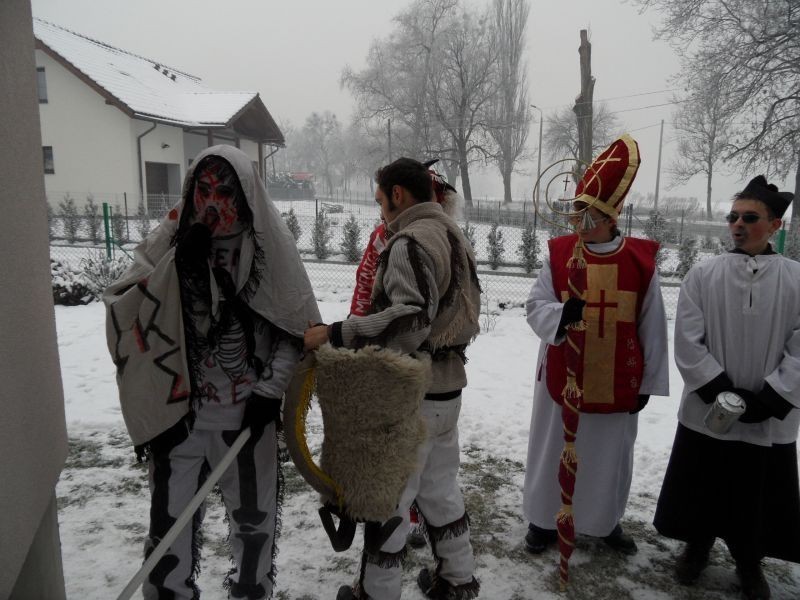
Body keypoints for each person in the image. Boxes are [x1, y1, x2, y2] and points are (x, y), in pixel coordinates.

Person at [104, 145, 320, 599]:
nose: (212, 203)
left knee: (254, 524)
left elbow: (294, 327)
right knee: (168, 529)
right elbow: (128, 304)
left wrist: (269, 391)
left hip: (244, 421)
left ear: (244, 196)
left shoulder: (267, 250)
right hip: (179, 420)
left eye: (225, 191)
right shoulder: (171, 239)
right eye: (203, 190)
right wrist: (177, 265)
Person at [304, 157, 481, 600]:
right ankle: (457, 579)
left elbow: (409, 322)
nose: (380, 208)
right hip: (447, 388)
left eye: (381, 199)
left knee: (393, 497)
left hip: (414, 392)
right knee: (440, 489)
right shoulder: (452, 234)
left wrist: (338, 333)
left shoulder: (409, 240)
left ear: (398, 195)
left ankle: (377, 592)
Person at [653, 175, 800, 600]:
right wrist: (719, 392)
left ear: (774, 225)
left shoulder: (794, 279)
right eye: (732, 216)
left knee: (755, 495)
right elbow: (688, 340)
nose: (737, 224)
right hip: (709, 412)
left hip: (768, 417)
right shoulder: (703, 274)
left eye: (749, 217)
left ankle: (749, 561)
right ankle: (697, 548)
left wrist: (770, 398)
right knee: (705, 484)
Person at [522, 135, 669, 558]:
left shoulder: (640, 261)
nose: (578, 220)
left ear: (609, 215)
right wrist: (561, 316)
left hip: (617, 375)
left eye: (587, 212)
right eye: (577, 210)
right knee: (554, 447)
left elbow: (652, 324)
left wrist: (648, 383)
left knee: (608, 454)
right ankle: (544, 520)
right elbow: (536, 304)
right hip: (564, 371)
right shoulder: (560, 253)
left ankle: (603, 522)